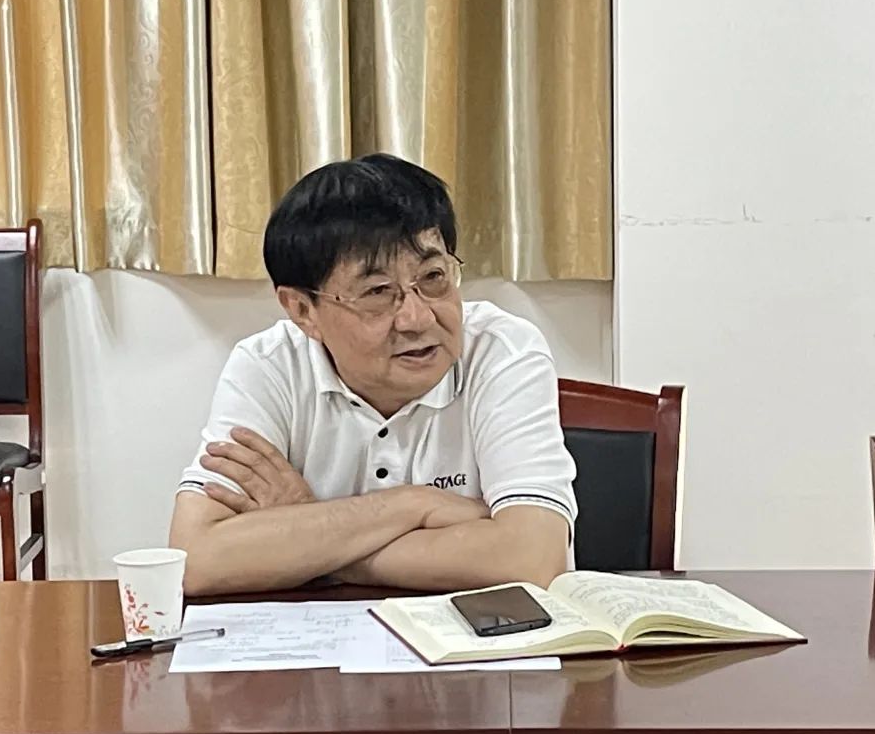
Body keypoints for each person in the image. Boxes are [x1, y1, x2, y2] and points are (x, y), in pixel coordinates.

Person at [170, 153, 577, 595]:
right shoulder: (269, 366)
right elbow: (196, 560)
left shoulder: (502, 351)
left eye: (434, 276)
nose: (418, 318)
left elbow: (533, 558)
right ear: (303, 310)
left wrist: (312, 539)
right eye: (378, 292)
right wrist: (413, 505)